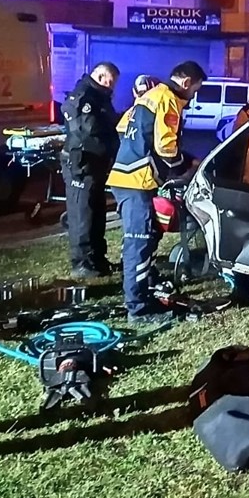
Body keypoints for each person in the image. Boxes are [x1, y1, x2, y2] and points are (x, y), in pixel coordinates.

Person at [107, 60, 207, 321]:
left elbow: (122, 128)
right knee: (138, 243)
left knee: (148, 236)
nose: (194, 95)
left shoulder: (150, 96)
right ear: (186, 82)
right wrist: (184, 167)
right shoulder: (167, 99)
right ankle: (137, 309)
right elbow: (166, 147)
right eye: (195, 89)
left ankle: (145, 286)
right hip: (136, 181)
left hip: (127, 178)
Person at [60, 61, 121, 280]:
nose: (112, 86)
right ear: (102, 76)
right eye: (111, 81)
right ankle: (82, 263)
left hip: (96, 164)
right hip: (81, 164)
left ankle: (97, 259)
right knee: (82, 215)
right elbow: (90, 130)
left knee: (96, 214)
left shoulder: (99, 97)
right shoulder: (83, 97)